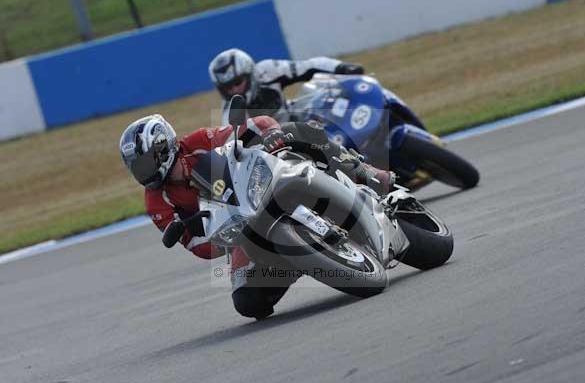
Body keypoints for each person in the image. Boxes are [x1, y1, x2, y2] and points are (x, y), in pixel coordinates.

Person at [119, 114, 397, 319]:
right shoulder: (157, 202)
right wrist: (220, 239)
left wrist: (271, 135)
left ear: (163, 148)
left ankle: (367, 172)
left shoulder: (200, 142)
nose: (141, 174)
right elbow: (197, 246)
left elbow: (257, 124)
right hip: (242, 231)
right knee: (247, 302)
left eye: (143, 164)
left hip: (265, 184)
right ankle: (299, 260)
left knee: (296, 130)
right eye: (135, 168)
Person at [208, 48, 364, 122]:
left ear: (250, 73)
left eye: (237, 82)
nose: (234, 89)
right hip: (275, 152)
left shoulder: (267, 70)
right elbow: (234, 150)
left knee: (321, 99)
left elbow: (310, 66)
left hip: (295, 120)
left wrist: (341, 68)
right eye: (227, 87)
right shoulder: (230, 114)